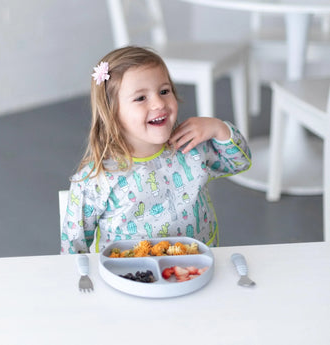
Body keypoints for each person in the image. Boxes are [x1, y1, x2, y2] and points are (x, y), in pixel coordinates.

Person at [61, 46, 251, 254]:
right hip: (129, 275)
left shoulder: (191, 147)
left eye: (164, 91)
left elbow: (239, 162)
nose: (159, 103)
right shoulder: (97, 179)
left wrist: (218, 128)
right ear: (112, 113)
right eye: (141, 98)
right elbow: (73, 247)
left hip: (195, 266)